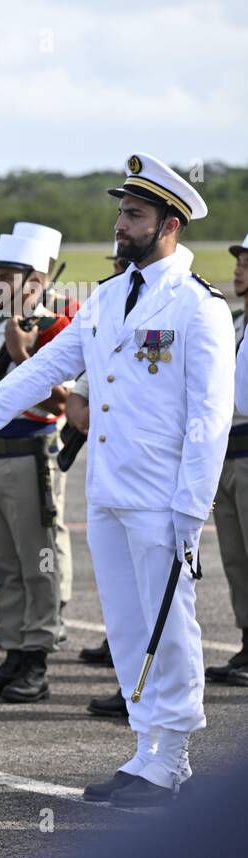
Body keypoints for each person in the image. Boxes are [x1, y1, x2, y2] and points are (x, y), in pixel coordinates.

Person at [0, 153, 233, 806]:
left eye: (134, 215)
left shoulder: (197, 306)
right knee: (126, 626)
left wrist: (191, 506)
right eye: (121, 213)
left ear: (169, 225)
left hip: (163, 498)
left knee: (168, 627)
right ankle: (146, 748)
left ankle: (172, 756)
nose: (120, 225)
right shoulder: (108, 298)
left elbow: (209, 417)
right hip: (109, 490)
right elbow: (45, 369)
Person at [0, 234, 70, 704]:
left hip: (31, 454)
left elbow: (61, 402)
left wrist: (23, 354)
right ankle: (13, 649)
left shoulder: (55, 328)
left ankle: (37, 657)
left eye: (8, 277)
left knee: (37, 559)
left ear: (37, 281)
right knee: (5, 563)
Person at [210, 231, 248, 686]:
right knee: (236, 557)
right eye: (238, 261)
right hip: (226, 452)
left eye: (247, 263)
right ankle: (246, 641)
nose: (239, 269)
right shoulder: (232, 322)